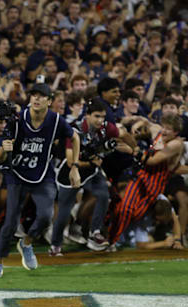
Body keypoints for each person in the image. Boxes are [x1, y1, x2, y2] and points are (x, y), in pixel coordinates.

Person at [0, 84, 81, 278]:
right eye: (33, 96)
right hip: (17, 174)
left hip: (42, 174)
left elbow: (75, 137)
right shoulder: (17, 120)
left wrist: (75, 167)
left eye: (41, 96)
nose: (36, 99)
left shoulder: (56, 121)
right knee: (11, 222)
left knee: (47, 216)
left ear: (50, 101)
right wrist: (4, 149)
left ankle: (27, 243)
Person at [49, 98, 135, 255]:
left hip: (92, 171)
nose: (100, 120)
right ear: (87, 115)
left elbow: (124, 136)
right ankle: (55, 245)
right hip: (70, 173)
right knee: (64, 210)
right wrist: (92, 163)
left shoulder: (106, 128)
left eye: (102, 116)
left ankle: (94, 232)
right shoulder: (74, 130)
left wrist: (129, 142)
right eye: (96, 116)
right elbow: (69, 161)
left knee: (103, 194)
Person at [107, 114, 185, 248]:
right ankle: (111, 241)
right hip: (142, 175)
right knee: (125, 207)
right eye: (164, 127)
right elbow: (148, 124)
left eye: (169, 129)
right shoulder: (158, 130)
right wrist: (137, 124)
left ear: (176, 132)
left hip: (156, 183)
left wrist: (132, 150)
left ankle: (118, 237)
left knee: (136, 213)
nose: (164, 131)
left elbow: (151, 161)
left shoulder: (176, 144)